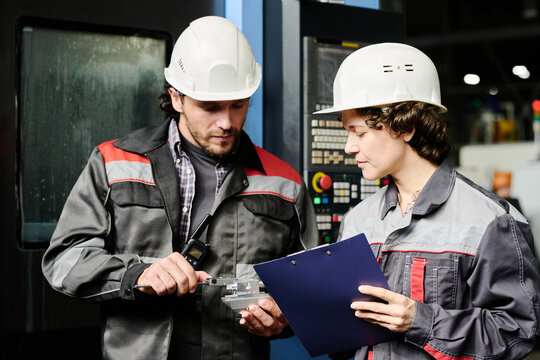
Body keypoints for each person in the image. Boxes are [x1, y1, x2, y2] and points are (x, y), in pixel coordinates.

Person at [42, 16, 318, 360]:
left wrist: (284, 321)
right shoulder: (113, 163)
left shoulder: (284, 183)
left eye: (238, 104)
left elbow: (310, 287)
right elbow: (65, 260)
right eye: (210, 106)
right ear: (176, 97)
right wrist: (136, 274)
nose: (226, 122)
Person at [315, 43, 540, 359]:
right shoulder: (359, 219)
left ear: (405, 126)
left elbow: (518, 331)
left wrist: (419, 321)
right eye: (347, 132)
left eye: (360, 132)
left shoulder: (490, 220)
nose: (349, 147)